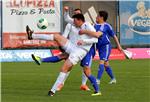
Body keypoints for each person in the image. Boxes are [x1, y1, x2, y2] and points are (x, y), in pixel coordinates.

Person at [26, 14, 102, 96]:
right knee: (57, 36)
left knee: (65, 68)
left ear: (80, 20)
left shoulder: (87, 25)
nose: (74, 23)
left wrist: (84, 41)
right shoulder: (76, 24)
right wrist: (66, 12)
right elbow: (67, 19)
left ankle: (52, 91)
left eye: (75, 21)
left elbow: (96, 38)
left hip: (80, 51)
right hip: (73, 46)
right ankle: (32, 35)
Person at [94, 11, 123, 84]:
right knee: (106, 64)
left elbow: (114, 36)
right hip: (99, 47)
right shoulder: (94, 25)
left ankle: (97, 80)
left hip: (105, 46)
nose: (96, 17)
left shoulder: (107, 26)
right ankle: (113, 79)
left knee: (101, 61)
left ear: (101, 17)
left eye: (97, 16)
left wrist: (118, 45)